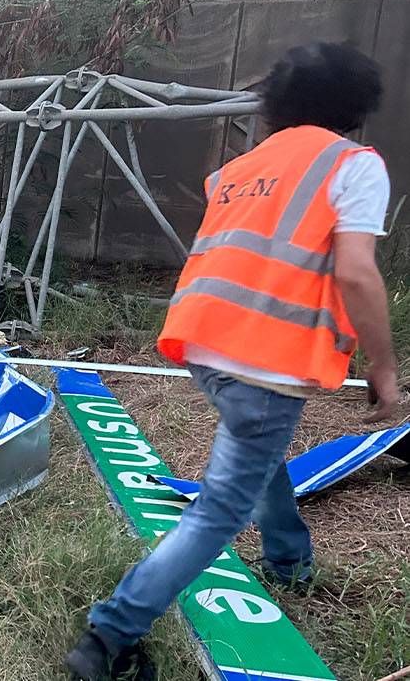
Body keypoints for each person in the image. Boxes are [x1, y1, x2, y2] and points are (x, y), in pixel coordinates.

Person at [67, 42, 400, 679]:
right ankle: (110, 637)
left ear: (276, 105)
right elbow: (356, 272)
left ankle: (288, 563)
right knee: (221, 508)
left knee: (258, 453)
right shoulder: (353, 165)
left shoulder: (244, 166)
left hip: (202, 342)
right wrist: (383, 367)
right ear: (356, 108)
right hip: (265, 357)